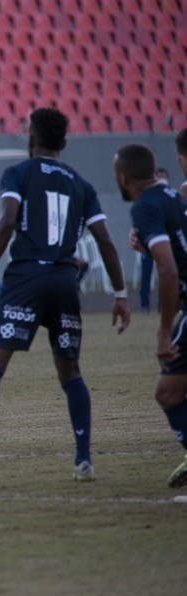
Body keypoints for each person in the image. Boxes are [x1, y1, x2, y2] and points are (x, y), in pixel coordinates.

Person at [0, 107, 131, 485]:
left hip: (26, 278)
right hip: (64, 281)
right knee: (70, 371)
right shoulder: (82, 184)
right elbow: (106, 242)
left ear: (31, 139)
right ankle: (83, 461)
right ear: (63, 142)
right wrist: (121, 293)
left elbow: (9, 218)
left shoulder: (18, 173)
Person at [117, 143, 187, 488]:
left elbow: (170, 270)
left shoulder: (146, 206)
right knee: (171, 391)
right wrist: (148, 244)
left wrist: (163, 333)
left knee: (168, 392)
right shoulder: (174, 198)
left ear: (122, 177)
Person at [138, 168, 170, 311]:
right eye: (158, 176)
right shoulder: (147, 197)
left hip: (164, 242)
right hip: (148, 242)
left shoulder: (171, 199)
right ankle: (144, 304)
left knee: (164, 273)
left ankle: (162, 304)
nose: (161, 179)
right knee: (146, 272)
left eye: (163, 177)